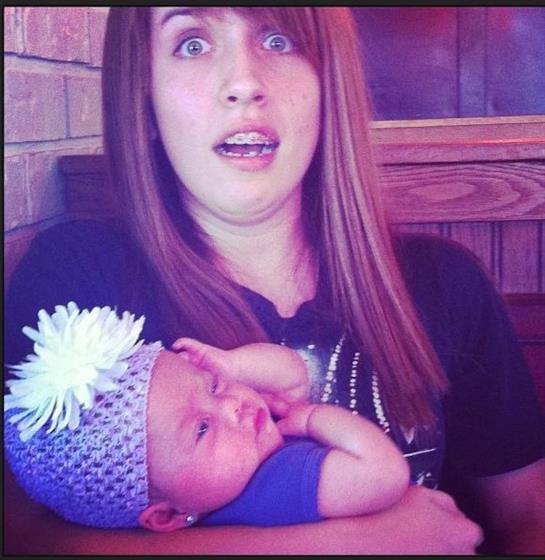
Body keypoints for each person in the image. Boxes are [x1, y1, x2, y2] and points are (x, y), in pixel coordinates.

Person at [4, 6, 544, 555]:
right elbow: (20, 535)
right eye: (192, 44)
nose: (244, 83)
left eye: (279, 40)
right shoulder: (77, 289)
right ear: (144, 94)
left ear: (327, 83)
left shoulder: (446, 283)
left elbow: (529, 513)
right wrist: (358, 543)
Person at [5, 303, 409, 531]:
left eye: (213, 386)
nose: (231, 405)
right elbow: (383, 474)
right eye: (201, 428)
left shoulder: (230, 480)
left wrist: (231, 366)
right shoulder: (277, 485)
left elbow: (293, 375)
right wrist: (313, 418)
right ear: (166, 515)